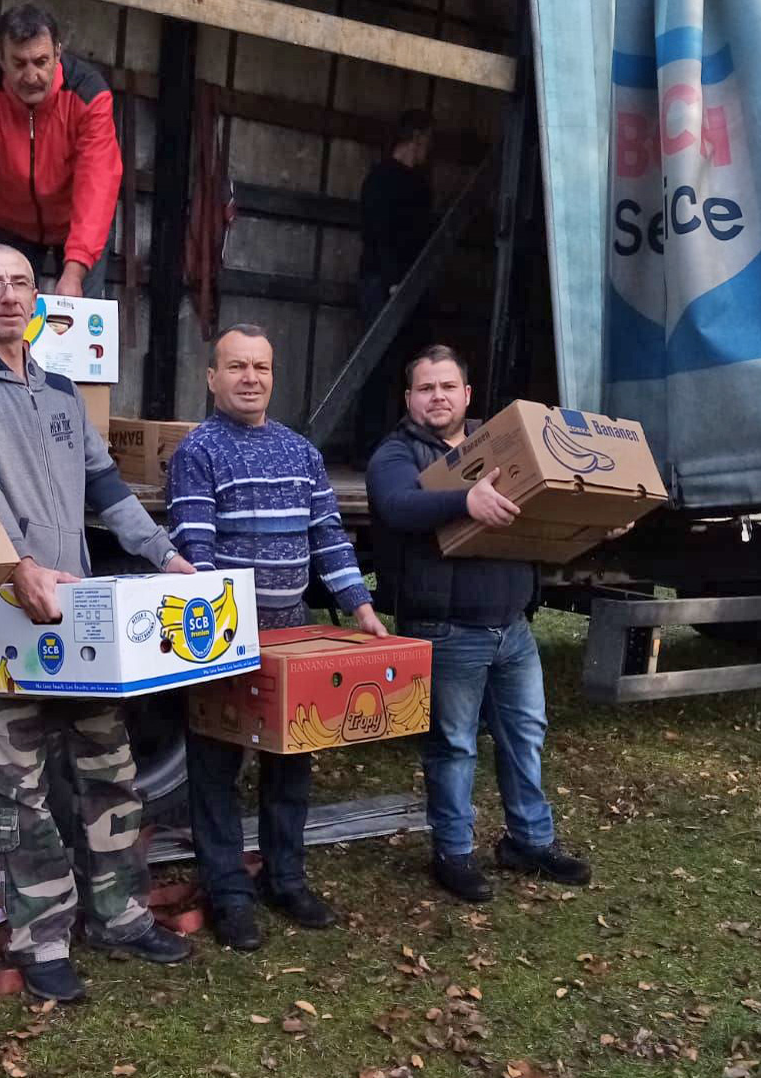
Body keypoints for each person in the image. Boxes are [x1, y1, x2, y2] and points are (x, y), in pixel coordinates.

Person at [0, 243, 193, 1003]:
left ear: (37, 301)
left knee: (109, 769)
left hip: (78, 616)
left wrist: (165, 557)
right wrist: (17, 568)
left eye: (20, 284)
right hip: (6, 613)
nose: (8, 296)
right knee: (20, 789)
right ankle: (42, 939)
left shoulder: (64, 392)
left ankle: (121, 915)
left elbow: (108, 490)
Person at [166, 324, 389, 951]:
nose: (250, 378)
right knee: (215, 766)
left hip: (292, 632)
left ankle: (285, 878)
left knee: (293, 760)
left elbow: (328, 537)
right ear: (212, 378)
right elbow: (195, 549)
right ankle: (228, 892)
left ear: (273, 376)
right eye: (236, 366)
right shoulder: (198, 451)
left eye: (261, 367)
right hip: (226, 637)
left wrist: (360, 608)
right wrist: (222, 634)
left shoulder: (301, 452)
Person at [365, 344, 591, 904]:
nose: (437, 396)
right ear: (410, 398)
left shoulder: (498, 448)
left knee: (525, 737)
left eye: (448, 387)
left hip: (511, 627)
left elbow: (545, 507)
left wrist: (592, 519)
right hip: (446, 629)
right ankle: (454, 852)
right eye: (425, 388)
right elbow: (395, 506)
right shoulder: (396, 455)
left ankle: (529, 842)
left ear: (467, 395)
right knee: (455, 746)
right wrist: (467, 498)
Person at [0, 4, 120, 298]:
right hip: (11, 223)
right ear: (1, 59)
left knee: (82, 313)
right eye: (19, 63)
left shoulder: (90, 93)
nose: (31, 76)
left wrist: (75, 269)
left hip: (76, 224)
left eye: (41, 62)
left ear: (58, 53)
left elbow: (98, 181)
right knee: (0, 310)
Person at [353, 110, 434, 468]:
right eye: (426, 142)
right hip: (384, 284)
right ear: (416, 138)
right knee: (376, 367)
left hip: (404, 286)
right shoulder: (385, 180)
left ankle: (403, 448)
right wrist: (391, 281)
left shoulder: (411, 183)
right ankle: (369, 449)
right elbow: (378, 235)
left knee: (409, 367)